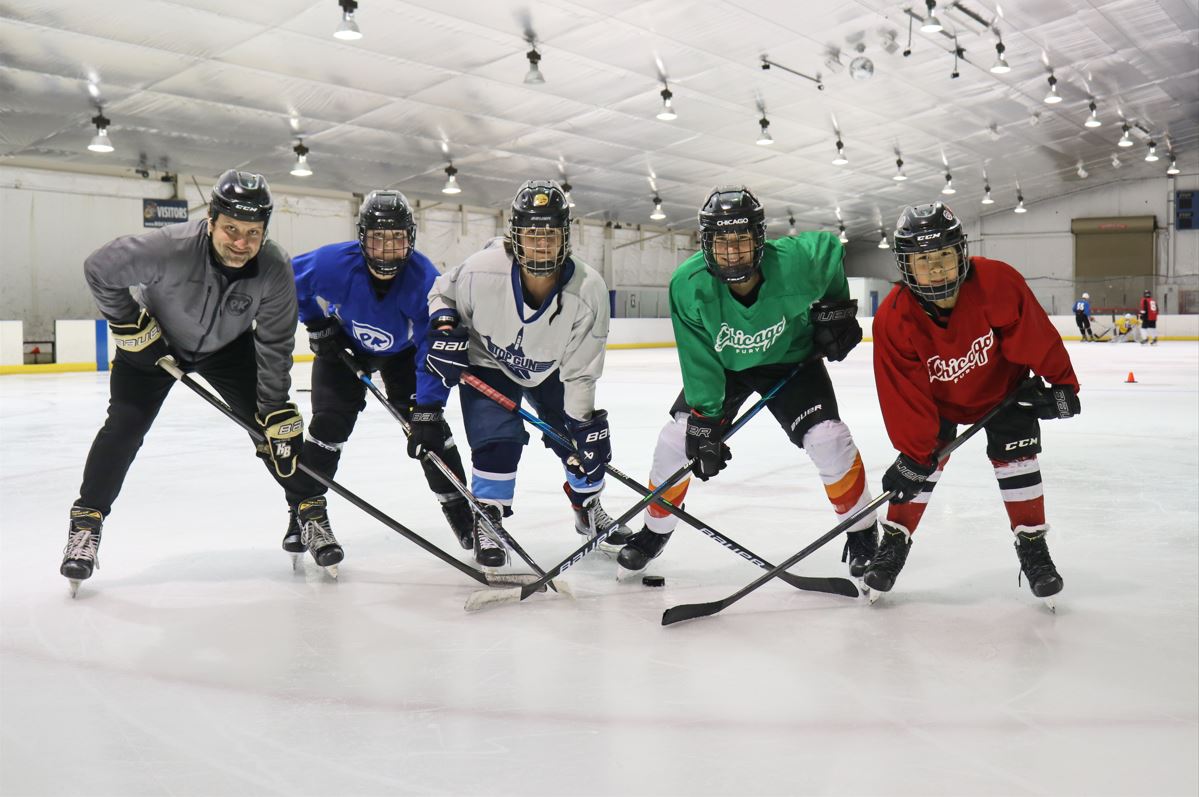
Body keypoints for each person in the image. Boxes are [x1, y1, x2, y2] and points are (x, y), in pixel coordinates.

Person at [61, 170, 340, 594]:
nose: (241, 243)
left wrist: (274, 409)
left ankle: (310, 513)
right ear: (211, 219)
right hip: (155, 345)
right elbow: (99, 268)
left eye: (253, 233)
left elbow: (275, 342)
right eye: (231, 229)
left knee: (276, 431)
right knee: (124, 427)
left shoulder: (274, 267)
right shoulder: (168, 248)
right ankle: (86, 524)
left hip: (228, 350)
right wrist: (129, 324)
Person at [617, 186, 879, 577]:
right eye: (722, 242)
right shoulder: (688, 285)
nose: (733, 251)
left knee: (829, 439)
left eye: (742, 239)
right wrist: (705, 422)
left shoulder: (795, 263)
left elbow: (830, 249)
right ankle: (654, 532)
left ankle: (862, 531)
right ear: (706, 244)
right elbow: (697, 355)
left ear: (760, 239)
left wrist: (836, 309)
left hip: (790, 361)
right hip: (725, 368)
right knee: (676, 440)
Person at [868, 202, 1080, 604]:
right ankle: (893, 543)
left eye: (945, 255)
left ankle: (1033, 546)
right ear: (906, 265)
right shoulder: (894, 318)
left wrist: (1063, 385)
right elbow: (902, 391)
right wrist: (914, 454)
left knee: (1018, 457)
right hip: (939, 404)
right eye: (923, 259)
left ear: (961, 253)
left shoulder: (996, 282)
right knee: (919, 469)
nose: (936, 268)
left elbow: (1034, 334)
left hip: (1002, 394)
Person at [422, 179, 630, 569]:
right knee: (496, 440)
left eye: (550, 235)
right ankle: (489, 519)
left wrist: (581, 425)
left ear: (566, 238)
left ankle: (588, 508)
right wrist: (445, 326)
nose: (541, 245)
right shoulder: (481, 270)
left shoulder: (589, 290)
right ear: (514, 236)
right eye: (531, 235)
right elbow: (441, 292)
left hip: (552, 368)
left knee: (579, 448)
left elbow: (581, 371)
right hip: (488, 362)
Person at [290, 191, 474, 552]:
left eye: (397, 239)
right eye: (378, 238)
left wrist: (429, 408)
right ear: (362, 238)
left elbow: (430, 347)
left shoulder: (425, 281)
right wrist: (315, 323)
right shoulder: (333, 264)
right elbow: (289, 282)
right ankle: (304, 516)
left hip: (403, 357)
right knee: (328, 425)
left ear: (411, 239)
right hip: (343, 347)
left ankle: (464, 516)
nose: (387, 249)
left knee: (430, 432)